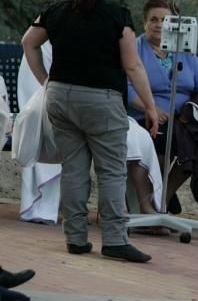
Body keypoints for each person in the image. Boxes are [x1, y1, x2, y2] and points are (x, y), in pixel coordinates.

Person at [21, 0, 158, 262]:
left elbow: (29, 41)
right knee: (111, 170)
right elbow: (133, 66)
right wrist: (150, 106)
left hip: (60, 97)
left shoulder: (57, 9)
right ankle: (114, 239)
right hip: (102, 100)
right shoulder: (117, 16)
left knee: (73, 168)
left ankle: (76, 238)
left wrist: (46, 80)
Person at [17, 40, 163, 224]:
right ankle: (82, 214)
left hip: (99, 109)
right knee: (81, 141)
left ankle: (142, 206)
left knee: (137, 137)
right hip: (60, 109)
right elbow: (30, 46)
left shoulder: (102, 30)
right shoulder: (50, 35)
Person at [127, 0, 198, 213]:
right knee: (165, 137)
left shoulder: (184, 50)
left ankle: (162, 197)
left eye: (165, 20)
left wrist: (188, 112)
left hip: (184, 118)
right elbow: (125, 88)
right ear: (144, 22)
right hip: (144, 116)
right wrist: (150, 107)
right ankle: (157, 202)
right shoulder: (134, 49)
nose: (159, 24)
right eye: (153, 19)